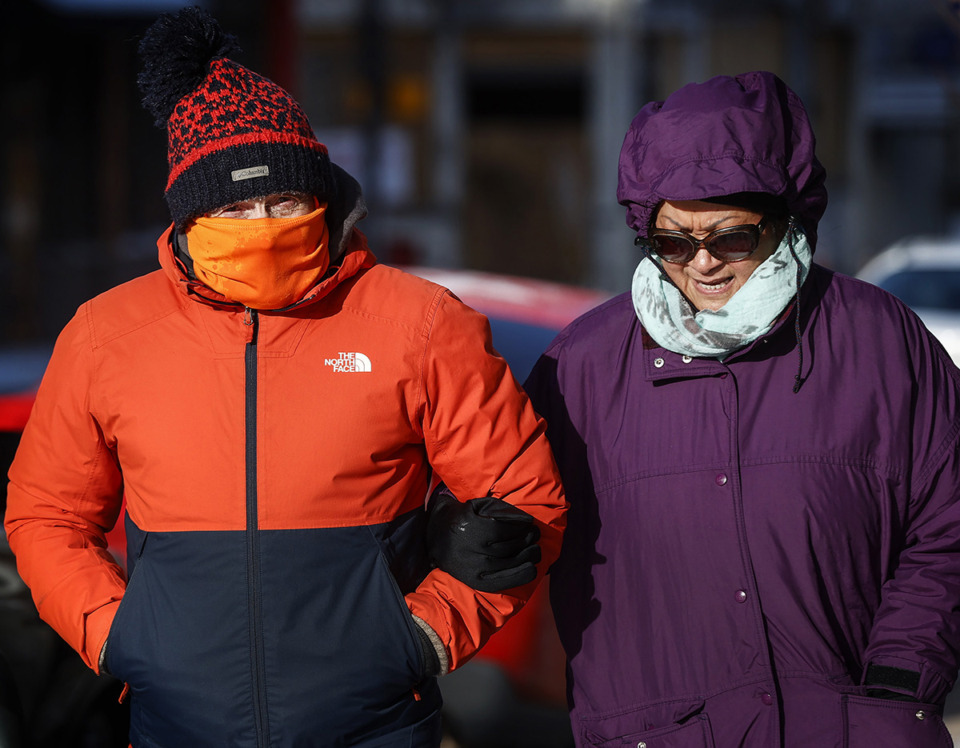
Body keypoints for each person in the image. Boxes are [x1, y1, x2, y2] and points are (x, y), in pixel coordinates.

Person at [3, 7, 565, 747]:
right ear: (188, 216)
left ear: (323, 197)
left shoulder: (421, 322)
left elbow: (523, 503)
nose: (264, 225)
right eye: (236, 207)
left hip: (379, 727)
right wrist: (116, 636)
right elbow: (46, 517)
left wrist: (424, 635)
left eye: (285, 201)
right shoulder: (107, 335)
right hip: (180, 727)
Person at [524, 71, 960, 746]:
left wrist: (902, 680)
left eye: (730, 238)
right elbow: (508, 517)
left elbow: (948, 521)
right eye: (673, 243)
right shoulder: (581, 365)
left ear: (785, 220)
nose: (701, 264)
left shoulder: (878, 337)